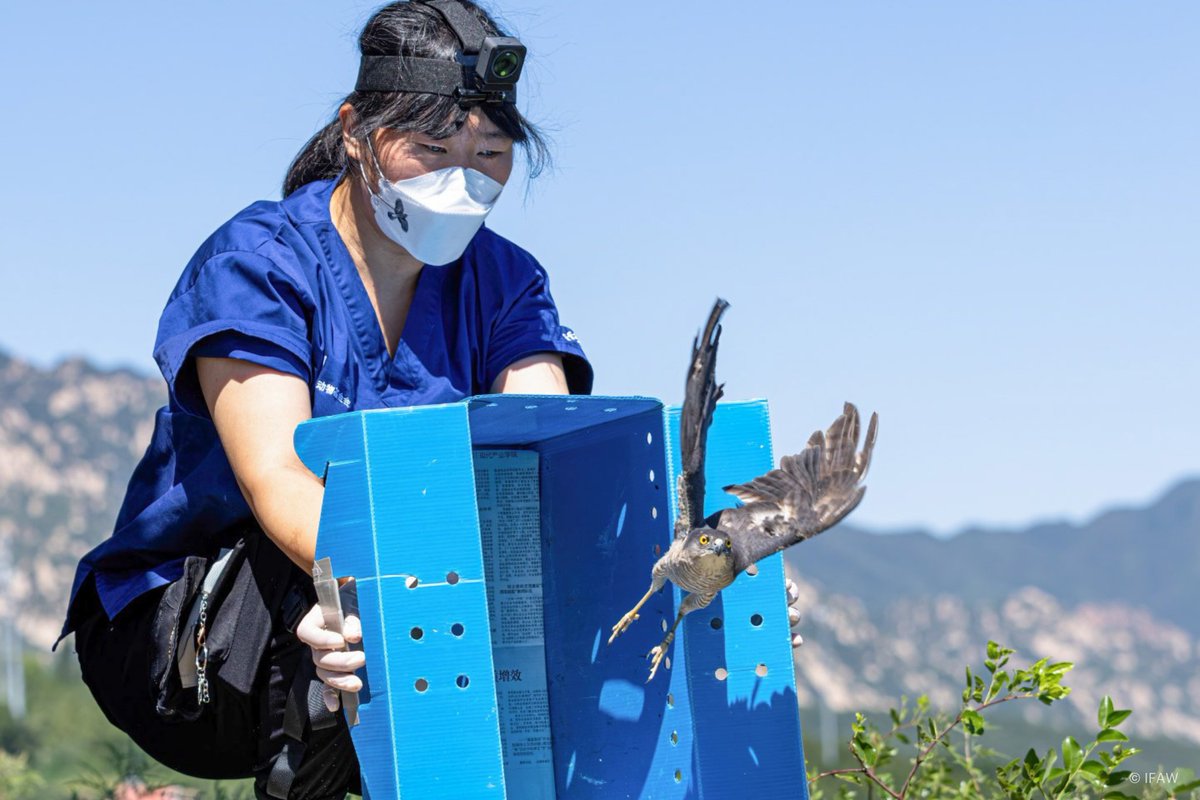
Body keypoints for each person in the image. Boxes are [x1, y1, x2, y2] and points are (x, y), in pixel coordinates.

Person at [60, 2, 591, 798]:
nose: (465, 182)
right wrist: (385, 595)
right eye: (432, 150)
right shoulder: (260, 262)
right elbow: (277, 480)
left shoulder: (507, 282)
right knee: (341, 566)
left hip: (393, 594)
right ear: (355, 131)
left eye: (489, 153)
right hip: (195, 622)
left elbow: (542, 451)